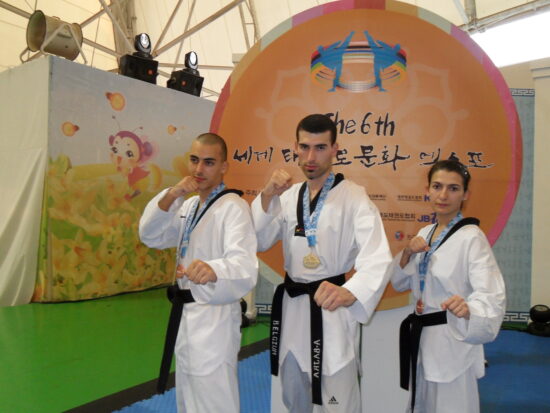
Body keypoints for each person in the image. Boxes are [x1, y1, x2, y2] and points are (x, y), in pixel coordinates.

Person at [251, 113, 392, 412]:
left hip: (330, 309)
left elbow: (377, 256)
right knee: (293, 397)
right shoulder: (288, 196)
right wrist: (267, 195)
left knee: (337, 401)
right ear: (295, 147)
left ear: (334, 149)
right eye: (304, 147)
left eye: (320, 148)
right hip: (292, 309)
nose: (311, 157)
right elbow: (259, 240)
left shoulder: (354, 197)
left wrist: (350, 291)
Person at [139, 133, 258, 413]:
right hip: (186, 315)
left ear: (223, 167)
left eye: (208, 162)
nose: (198, 169)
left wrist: (214, 269)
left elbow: (244, 265)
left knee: (214, 398)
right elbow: (151, 235)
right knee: (188, 396)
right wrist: (173, 193)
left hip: (214, 317)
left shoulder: (234, 207)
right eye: (194, 160)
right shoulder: (190, 206)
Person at [391, 159, 506, 413]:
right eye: (437, 186)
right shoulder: (425, 232)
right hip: (422, 338)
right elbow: (399, 283)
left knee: (452, 406)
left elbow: (491, 293)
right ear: (427, 190)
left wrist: (469, 309)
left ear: (465, 194)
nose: (443, 195)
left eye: (453, 188)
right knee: (422, 404)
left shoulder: (472, 238)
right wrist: (407, 253)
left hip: (452, 338)